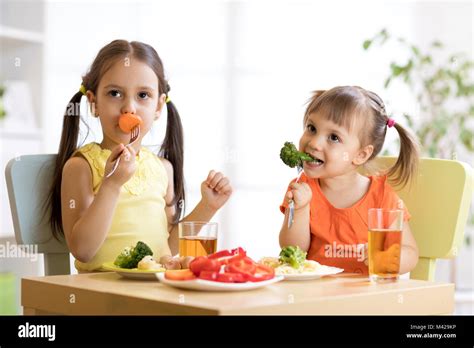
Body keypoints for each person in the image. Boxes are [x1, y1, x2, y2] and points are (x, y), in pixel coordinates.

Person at [47, 40, 232, 272]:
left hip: (154, 286)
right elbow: (83, 250)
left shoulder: (162, 168)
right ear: (94, 103)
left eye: (143, 95)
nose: (129, 108)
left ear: (158, 107)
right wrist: (111, 184)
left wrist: (207, 206)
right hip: (101, 291)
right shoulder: (81, 166)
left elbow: (168, 246)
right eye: (115, 93)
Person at [279, 86, 419, 275]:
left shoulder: (382, 196)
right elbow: (292, 251)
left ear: (361, 155)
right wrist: (301, 209)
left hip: (366, 298)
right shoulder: (303, 189)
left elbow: (410, 253)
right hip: (316, 296)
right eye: (312, 128)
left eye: (334, 137)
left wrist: (384, 257)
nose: (314, 143)